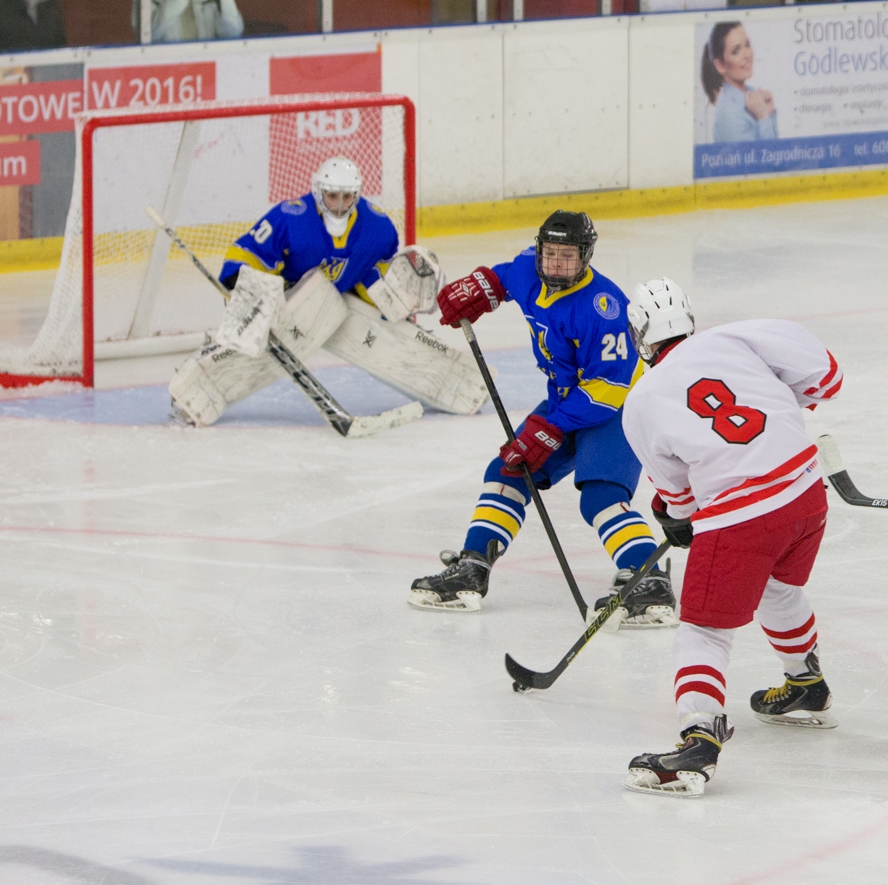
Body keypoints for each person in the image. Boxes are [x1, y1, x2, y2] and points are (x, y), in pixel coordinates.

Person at [617, 278, 844, 797]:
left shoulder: (643, 400)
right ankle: (807, 686)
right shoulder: (739, 338)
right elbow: (826, 378)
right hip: (807, 493)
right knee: (777, 589)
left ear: (640, 337)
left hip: (745, 514)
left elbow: (680, 503)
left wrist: (674, 514)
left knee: (703, 630)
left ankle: (699, 740)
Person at [411, 211, 673, 625]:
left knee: (600, 496)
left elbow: (611, 387)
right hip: (567, 400)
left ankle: (650, 580)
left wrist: (551, 428)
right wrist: (482, 288)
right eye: (549, 254)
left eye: (566, 257)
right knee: (507, 469)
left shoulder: (603, 308)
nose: (554, 265)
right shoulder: (529, 269)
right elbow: (504, 277)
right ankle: (473, 568)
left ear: (585, 257)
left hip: (617, 409)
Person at [169, 156, 486, 427]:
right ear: (319, 192)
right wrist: (244, 287)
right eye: (332, 196)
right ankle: (190, 393)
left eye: (347, 197)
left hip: (341, 300)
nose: (339, 205)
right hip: (289, 301)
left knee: (384, 333)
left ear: (358, 194)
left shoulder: (378, 227)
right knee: (254, 340)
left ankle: (462, 386)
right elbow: (249, 252)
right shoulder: (289, 217)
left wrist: (399, 300)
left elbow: (375, 273)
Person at [702, 22, 778, 143]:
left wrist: (769, 113)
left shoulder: (752, 93)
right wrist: (763, 117)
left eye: (747, 44)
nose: (747, 55)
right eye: (736, 51)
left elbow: (779, 152)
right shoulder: (729, 114)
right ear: (720, 65)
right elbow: (766, 159)